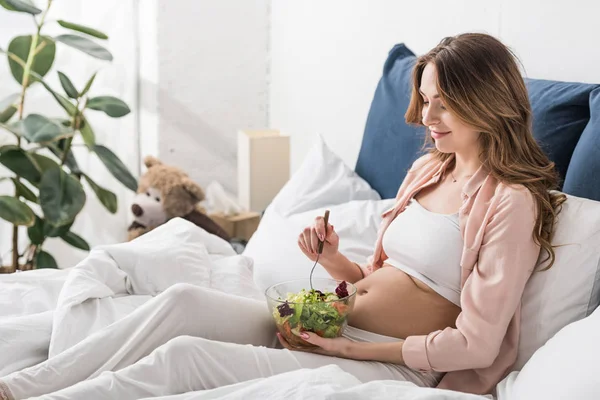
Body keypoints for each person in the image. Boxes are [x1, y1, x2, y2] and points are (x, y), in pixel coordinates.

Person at [0, 32, 565, 400]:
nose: (427, 116)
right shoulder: (429, 172)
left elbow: (476, 344)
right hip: (329, 322)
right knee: (180, 301)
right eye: (426, 98)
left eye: (444, 102)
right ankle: (23, 387)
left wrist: (352, 350)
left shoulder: (509, 202)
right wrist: (333, 261)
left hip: (390, 364)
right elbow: (377, 280)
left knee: (183, 359)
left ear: (487, 102)